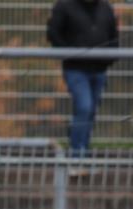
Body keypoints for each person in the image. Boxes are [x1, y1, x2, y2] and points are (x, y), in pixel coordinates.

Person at [47, 0, 119, 162]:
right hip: (76, 69)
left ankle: (83, 153)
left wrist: (110, 57)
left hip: (99, 69)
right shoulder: (64, 6)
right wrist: (69, 53)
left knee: (91, 111)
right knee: (84, 107)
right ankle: (77, 154)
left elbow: (113, 35)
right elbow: (53, 33)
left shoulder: (105, 8)